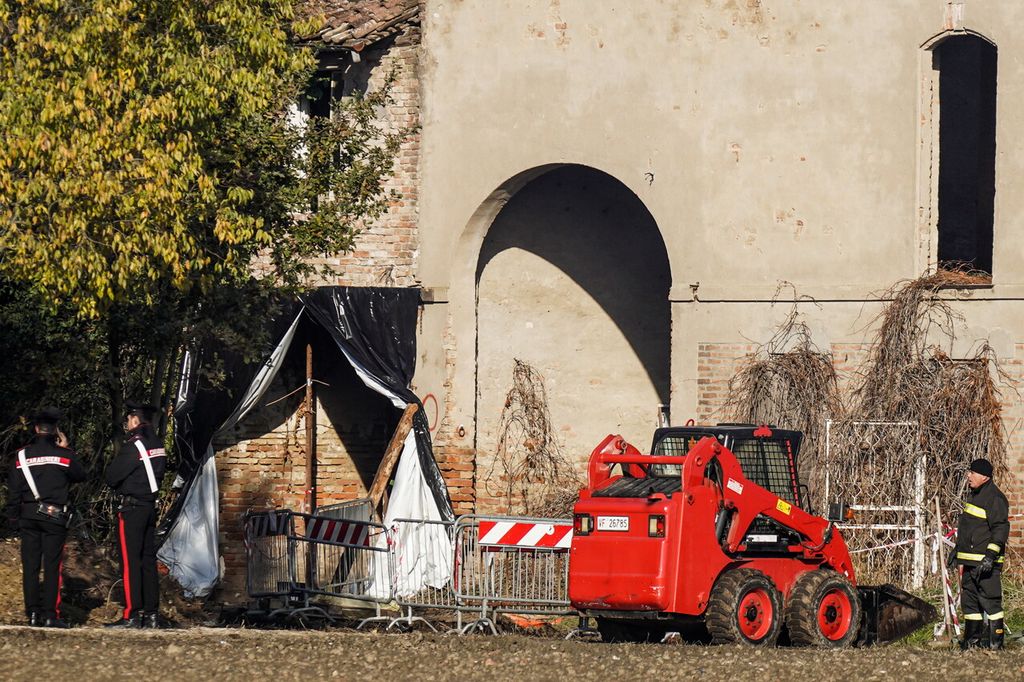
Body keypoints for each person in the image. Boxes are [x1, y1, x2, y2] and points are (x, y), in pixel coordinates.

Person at [4, 407, 86, 628]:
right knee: (52, 566)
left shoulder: (21, 456)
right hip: (54, 516)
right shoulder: (65, 456)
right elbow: (81, 475)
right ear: (55, 431)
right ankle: (51, 615)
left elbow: (13, 492)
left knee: (30, 566)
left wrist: (13, 519)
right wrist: (66, 448)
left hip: (28, 515)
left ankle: (32, 613)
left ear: (35, 429)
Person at [104, 401, 167, 629]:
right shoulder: (157, 443)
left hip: (132, 510)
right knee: (148, 562)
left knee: (131, 563)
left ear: (134, 420)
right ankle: (151, 614)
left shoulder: (133, 446)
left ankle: (131, 614)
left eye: (128, 419)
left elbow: (112, 477)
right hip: (150, 508)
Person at [952, 457, 1009, 650]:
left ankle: (996, 645)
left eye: (972, 472)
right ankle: (970, 644)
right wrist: (957, 551)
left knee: (991, 603)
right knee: (970, 604)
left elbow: (1000, 529)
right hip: (970, 563)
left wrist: (990, 557)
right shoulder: (975, 495)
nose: (968, 475)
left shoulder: (995, 498)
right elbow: (970, 529)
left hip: (986, 565)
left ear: (984, 476)